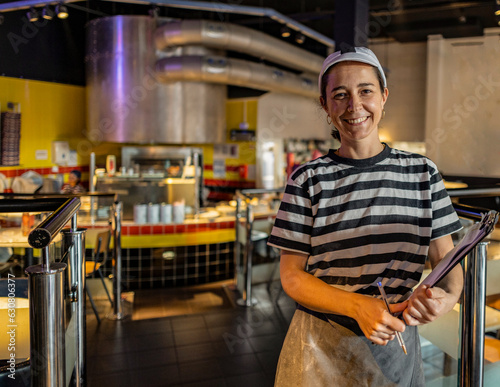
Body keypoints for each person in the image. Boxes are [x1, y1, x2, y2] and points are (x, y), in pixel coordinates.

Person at [267, 46, 463, 386]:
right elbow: (292, 277)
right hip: (320, 347)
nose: (354, 106)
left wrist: (445, 300)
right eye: (339, 95)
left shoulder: (422, 173)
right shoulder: (307, 179)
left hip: (396, 347)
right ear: (325, 106)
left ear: (384, 97)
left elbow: (448, 264)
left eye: (366, 91)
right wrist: (357, 306)